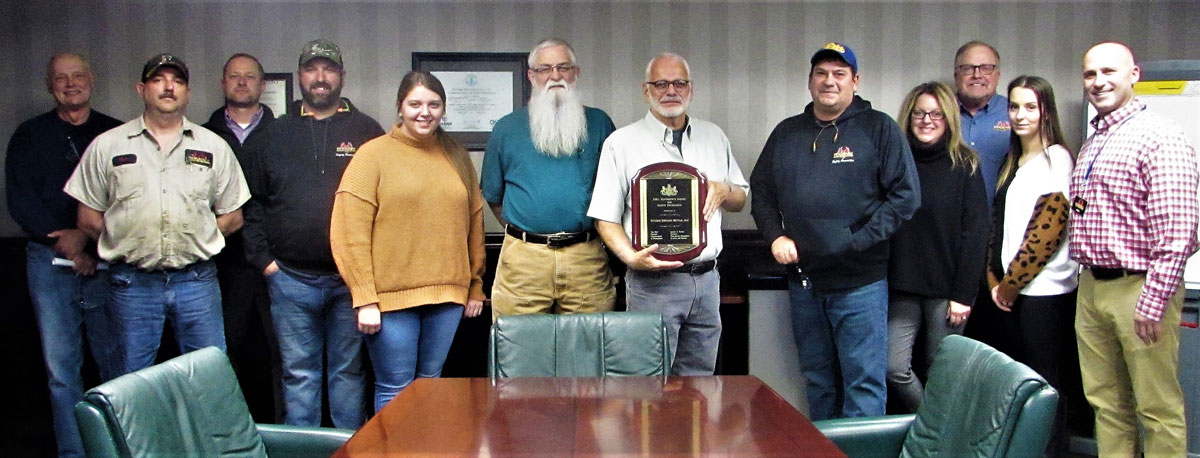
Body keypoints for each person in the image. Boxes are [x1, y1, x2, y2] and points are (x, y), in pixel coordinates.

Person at [750, 42, 919, 420]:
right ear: (810, 81)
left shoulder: (879, 129)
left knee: (864, 383)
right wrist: (775, 236)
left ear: (855, 81)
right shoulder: (787, 133)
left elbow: (906, 197)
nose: (830, 81)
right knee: (817, 379)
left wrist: (855, 241)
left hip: (861, 284)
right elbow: (760, 190)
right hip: (805, 283)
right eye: (821, 73)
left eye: (839, 74)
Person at [64, 53, 250, 374]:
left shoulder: (213, 146)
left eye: (177, 81)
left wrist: (195, 239)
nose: (169, 87)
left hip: (196, 282)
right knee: (130, 382)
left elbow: (233, 216)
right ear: (141, 89)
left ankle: (204, 429)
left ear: (187, 93)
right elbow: (87, 218)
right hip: (132, 284)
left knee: (210, 378)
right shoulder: (108, 146)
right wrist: (126, 239)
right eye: (158, 80)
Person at [242, 39, 384, 429]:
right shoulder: (272, 134)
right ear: (300, 76)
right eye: (311, 69)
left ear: (341, 76)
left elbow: (383, 203)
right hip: (290, 280)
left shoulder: (367, 131)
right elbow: (252, 204)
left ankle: (349, 451)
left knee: (348, 374)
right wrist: (265, 263)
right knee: (299, 376)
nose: (320, 78)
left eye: (328, 69)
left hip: (349, 282)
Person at [1070, 42, 1198, 457]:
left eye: (1109, 71)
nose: (1098, 82)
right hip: (1092, 287)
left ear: (1134, 74)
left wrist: (1154, 299)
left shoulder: (1159, 137)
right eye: (1090, 74)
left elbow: (1180, 231)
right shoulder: (1096, 139)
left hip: (1140, 290)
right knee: (1107, 404)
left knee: (1157, 408)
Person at [331, 71, 485, 411]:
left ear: (443, 109)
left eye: (434, 104)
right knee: (395, 389)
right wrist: (364, 296)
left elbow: (474, 220)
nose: (424, 112)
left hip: (447, 295)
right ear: (400, 107)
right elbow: (349, 231)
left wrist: (474, 284)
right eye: (415, 104)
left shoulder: (456, 155)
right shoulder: (373, 156)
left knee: (430, 386)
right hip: (389, 301)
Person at [588, 53, 749, 375]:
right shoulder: (621, 143)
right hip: (652, 283)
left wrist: (724, 190)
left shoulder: (714, 136)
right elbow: (604, 216)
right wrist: (630, 258)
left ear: (691, 89)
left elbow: (740, 199)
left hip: (706, 281)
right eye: (660, 83)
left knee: (699, 384)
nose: (670, 91)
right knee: (647, 384)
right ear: (645, 91)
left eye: (679, 83)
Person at [6, 52, 122, 458]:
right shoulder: (28, 135)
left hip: (106, 262)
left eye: (77, 76)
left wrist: (87, 243)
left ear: (91, 80)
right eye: (60, 78)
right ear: (48, 84)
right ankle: (73, 453)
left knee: (115, 367)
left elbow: (127, 200)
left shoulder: (115, 134)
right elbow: (20, 200)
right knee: (61, 372)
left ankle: (116, 451)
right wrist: (64, 241)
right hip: (48, 263)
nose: (70, 83)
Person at [481, 38, 617, 319]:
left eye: (563, 67)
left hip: (585, 257)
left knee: (586, 350)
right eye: (545, 69)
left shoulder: (600, 123)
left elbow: (617, 192)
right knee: (520, 351)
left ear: (575, 73)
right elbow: (493, 196)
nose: (555, 76)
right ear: (532, 76)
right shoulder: (506, 128)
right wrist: (529, 234)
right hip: (524, 260)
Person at [986, 75, 1079, 457]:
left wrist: (1008, 286)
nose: (1020, 115)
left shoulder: (1056, 158)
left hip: (1043, 295)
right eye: (1014, 106)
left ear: (1046, 112)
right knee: (1020, 384)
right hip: (1010, 293)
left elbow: (1047, 233)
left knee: (1046, 386)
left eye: (1030, 107)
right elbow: (1001, 224)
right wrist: (995, 280)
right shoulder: (1014, 159)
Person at [885, 81, 987, 412]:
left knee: (943, 372)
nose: (927, 120)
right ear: (908, 116)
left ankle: (939, 439)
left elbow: (975, 234)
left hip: (947, 291)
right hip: (901, 286)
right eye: (919, 112)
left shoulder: (965, 164)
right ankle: (936, 425)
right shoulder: (894, 163)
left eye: (936, 113)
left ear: (948, 118)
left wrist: (963, 295)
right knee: (893, 366)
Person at [201, 52, 281, 422]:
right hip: (221, 263)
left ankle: (283, 435)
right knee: (223, 353)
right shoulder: (201, 136)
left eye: (250, 77)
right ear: (223, 83)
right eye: (234, 76)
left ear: (262, 85)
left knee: (283, 354)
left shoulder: (283, 135)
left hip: (276, 263)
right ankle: (228, 434)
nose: (242, 82)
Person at [953, 40, 1009, 201]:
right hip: (950, 222)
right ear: (956, 76)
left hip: (1000, 220)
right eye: (968, 68)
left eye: (986, 68)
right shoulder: (937, 115)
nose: (977, 75)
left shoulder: (1016, 115)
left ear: (998, 76)